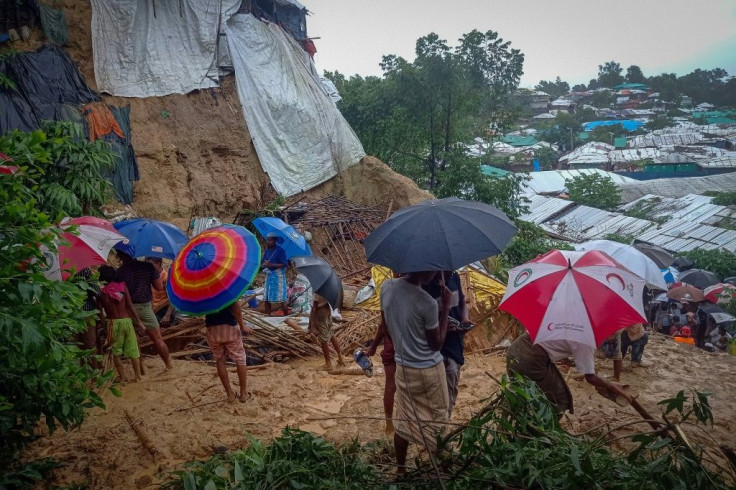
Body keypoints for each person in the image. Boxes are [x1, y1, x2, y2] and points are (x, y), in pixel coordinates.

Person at [380, 271, 451, 474]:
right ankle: (440, 470)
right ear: (423, 269)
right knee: (438, 421)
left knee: (404, 421)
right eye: (433, 269)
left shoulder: (387, 287)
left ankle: (401, 470)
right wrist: (445, 306)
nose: (436, 273)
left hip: (403, 368)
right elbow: (436, 344)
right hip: (429, 371)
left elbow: (386, 329)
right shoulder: (427, 302)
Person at [507, 331, 629, 417]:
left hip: (517, 348)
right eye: (612, 336)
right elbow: (590, 377)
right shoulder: (586, 340)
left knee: (525, 394)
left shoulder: (574, 319)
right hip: (530, 357)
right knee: (559, 400)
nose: (611, 340)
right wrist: (608, 384)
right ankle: (543, 433)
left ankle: (526, 424)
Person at [422, 271, 471, 418]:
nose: (452, 268)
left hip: (455, 346)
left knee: (451, 391)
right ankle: (439, 433)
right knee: (440, 397)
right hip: (436, 350)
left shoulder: (454, 277)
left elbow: (462, 303)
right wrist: (441, 323)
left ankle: (441, 429)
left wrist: (465, 318)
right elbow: (420, 321)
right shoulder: (425, 285)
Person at [115, 250, 172, 370]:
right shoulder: (147, 267)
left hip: (127, 310)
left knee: (134, 342)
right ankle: (168, 365)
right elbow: (159, 287)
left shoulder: (119, 272)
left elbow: (118, 294)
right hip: (145, 308)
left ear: (120, 256)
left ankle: (141, 369)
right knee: (157, 339)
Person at [97, 266, 144, 383]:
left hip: (113, 323)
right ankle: (138, 377)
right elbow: (130, 305)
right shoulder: (122, 287)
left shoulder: (102, 293)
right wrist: (139, 321)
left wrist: (105, 328)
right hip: (127, 321)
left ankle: (122, 378)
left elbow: (101, 314)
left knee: (116, 352)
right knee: (133, 350)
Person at [205, 301, 252, 402]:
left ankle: (229, 394)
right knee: (240, 359)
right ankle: (243, 393)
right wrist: (242, 326)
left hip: (212, 329)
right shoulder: (225, 288)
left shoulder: (204, 292)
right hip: (229, 327)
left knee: (220, 359)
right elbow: (236, 306)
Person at [365, 318, 396, 435]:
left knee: (390, 386)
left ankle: (389, 424)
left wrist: (373, 347)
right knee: (406, 387)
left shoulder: (388, 300)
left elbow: (383, 325)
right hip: (408, 347)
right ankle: (400, 423)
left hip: (392, 347)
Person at [308, 294, 345, 370]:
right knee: (331, 333)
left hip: (320, 311)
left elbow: (315, 307)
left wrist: (313, 326)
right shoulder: (325, 289)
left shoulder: (317, 290)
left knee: (323, 338)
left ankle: (328, 364)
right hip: (326, 308)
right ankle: (341, 357)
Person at [262, 233, 288, 316]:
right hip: (269, 276)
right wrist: (264, 264)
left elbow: (284, 264)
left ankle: (286, 315)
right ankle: (267, 316)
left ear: (275, 241)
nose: (268, 242)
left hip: (278, 277)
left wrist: (271, 265)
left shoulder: (280, 251)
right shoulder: (267, 251)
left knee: (281, 298)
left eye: (270, 240)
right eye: (267, 240)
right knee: (266, 296)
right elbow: (264, 261)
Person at [147, 257, 175, 327]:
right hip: (154, 309)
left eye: (150, 264)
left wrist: (167, 315)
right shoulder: (151, 276)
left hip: (164, 310)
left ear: (158, 264)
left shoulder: (166, 278)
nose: (148, 267)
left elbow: (173, 298)